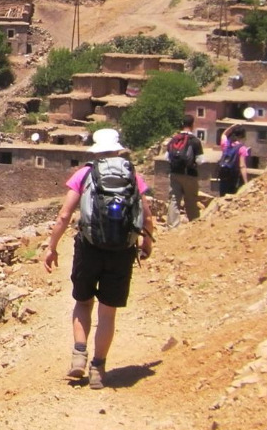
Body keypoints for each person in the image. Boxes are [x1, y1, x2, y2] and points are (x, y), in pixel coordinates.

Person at [42, 128, 154, 390]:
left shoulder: (84, 174)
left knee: (83, 303)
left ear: (95, 151)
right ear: (117, 150)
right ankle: (98, 369)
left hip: (89, 247)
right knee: (108, 313)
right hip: (122, 252)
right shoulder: (133, 176)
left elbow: (64, 215)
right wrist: (146, 243)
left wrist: (52, 246)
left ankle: (79, 356)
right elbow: (147, 216)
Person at [165, 115, 204, 224]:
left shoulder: (173, 140)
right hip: (190, 175)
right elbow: (200, 160)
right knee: (191, 200)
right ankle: (194, 225)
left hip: (174, 174)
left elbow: (166, 157)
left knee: (174, 200)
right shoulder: (195, 141)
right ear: (192, 125)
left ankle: (172, 226)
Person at [217, 124, 250, 195]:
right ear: (242, 136)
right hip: (233, 177)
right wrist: (246, 182)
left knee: (222, 195)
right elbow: (242, 166)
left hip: (223, 175)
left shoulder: (226, 144)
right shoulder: (242, 148)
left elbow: (224, 134)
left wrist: (232, 127)